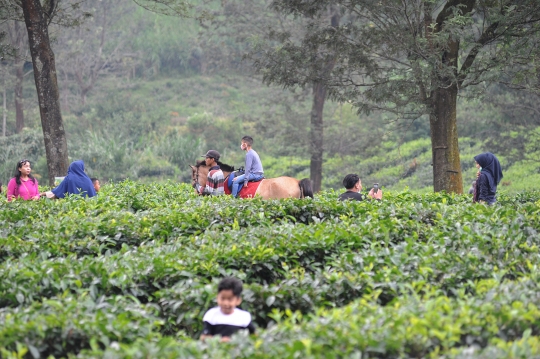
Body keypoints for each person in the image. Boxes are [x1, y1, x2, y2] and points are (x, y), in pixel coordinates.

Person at [200, 277, 255, 342]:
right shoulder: (211, 315)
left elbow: (253, 336)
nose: (225, 303)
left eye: (230, 299)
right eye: (222, 298)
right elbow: (204, 337)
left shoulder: (244, 317)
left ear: (238, 300)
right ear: (217, 297)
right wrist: (220, 341)